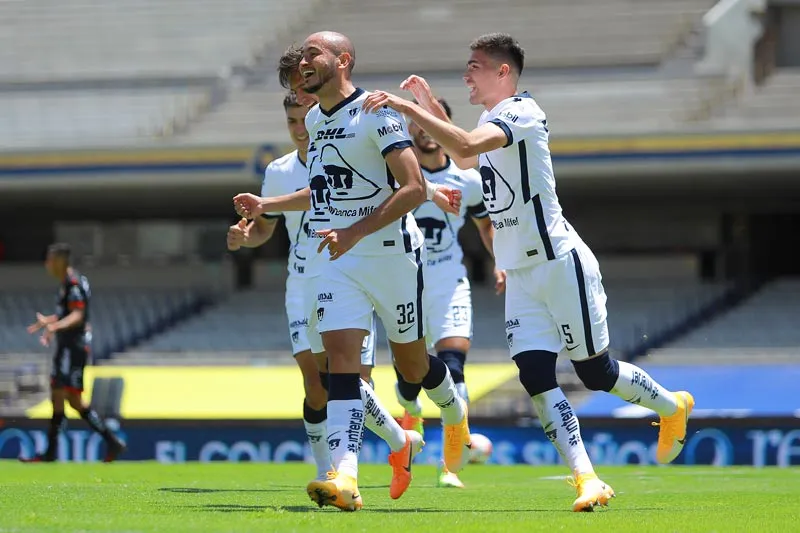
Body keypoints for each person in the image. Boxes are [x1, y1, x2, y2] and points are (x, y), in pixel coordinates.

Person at [362, 33, 695, 512]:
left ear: (503, 72)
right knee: (535, 374)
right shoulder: (488, 117)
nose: (466, 74)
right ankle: (587, 479)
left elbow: (467, 145)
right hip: (520, 273)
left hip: (559, 261)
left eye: (474, 66)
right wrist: (428, 101)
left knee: (595, 373)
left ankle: (671, 406)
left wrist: (408, 108)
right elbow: (466, 157)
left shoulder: (522, 112)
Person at [233, 32, 471, 511]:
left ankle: (455, 416)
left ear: (342, 61)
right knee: (341, 365)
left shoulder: (376, 111)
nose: (303, 62)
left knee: (414, 368)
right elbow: (325, 191)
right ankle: (345, 477)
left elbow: (412, 186)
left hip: (391, 256)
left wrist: (356, 231)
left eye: (312, 54)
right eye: (300, 56)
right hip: (338, 260)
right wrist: (269, 204)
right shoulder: (317, 118)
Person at [228, 89, 424, 501]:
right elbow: (269, 227)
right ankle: (367, 455)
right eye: (291, 123)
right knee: (318, 383)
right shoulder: (280, 170)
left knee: (350, 376)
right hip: (303, 279)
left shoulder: (344, 142)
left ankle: (346, 468)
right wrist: (248, 235)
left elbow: (406, 185)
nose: (299, 129)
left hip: (347, 264)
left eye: (303, 119)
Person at [387, 97, 504, 489]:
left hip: (449, 281)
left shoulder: (468, 180)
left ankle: (449, 464)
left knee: (453, 366)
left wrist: (498, 261)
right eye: (418, 122)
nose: (426, 129)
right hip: (404, 282)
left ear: (446, 127)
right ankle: (410, 411)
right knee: (409, 378)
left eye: (435, 120)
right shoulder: (397, 175)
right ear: (410, 129)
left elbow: (486, 226)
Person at [22, 243, 125, 463]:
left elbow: (78, 315)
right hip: (68, 347)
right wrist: (49, 321)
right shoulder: (67, 284)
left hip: (72, 348)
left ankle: (110, 442)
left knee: (68, 397)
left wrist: (55, 327)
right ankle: (108, 443)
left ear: (60, 260)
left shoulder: (74, 284)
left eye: (50, 259)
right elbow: (70, 313)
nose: (47, 264)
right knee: (62, 396)